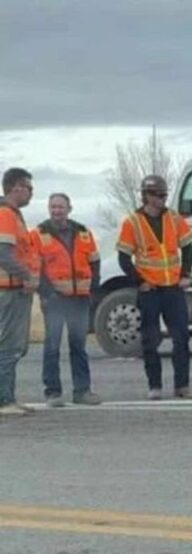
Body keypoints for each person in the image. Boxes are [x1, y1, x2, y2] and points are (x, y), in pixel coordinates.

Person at [116, 174, 192, 400]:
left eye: (164, 195)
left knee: (181, 338)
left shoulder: (174, 218)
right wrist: (139, 281)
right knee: (150, 340)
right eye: (158, 195)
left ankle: (182, 385)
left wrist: (186, 274)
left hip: (172, 288)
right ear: (146, 196)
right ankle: (155, 386)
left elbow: (188, 247)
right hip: (150, 290)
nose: (162, 199)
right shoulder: (132, 222)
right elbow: (123, 258)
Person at [32, 193, 102, 407]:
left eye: (60, 207)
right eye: (53, 207)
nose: (56, 211)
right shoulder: (38, 234)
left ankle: (82, 391)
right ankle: (53, 393)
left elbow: (95, 263)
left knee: (78, 346)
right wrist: (46, 293)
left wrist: (93, 288)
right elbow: (35, 267)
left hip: (79, 298)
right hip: (54, 299)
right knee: (52, 346)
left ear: (69, 208)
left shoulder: (83, 232)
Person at [0, 167, 40, 417]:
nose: (31, 193)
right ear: (15, 187)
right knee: (9, 345)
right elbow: (3, 252)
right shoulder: (6, 214)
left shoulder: (14, 215)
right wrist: (25, 276)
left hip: (16, 290)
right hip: (10, 290)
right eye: (29, 188)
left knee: (15, 346)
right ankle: (4, 400)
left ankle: (8, 397)